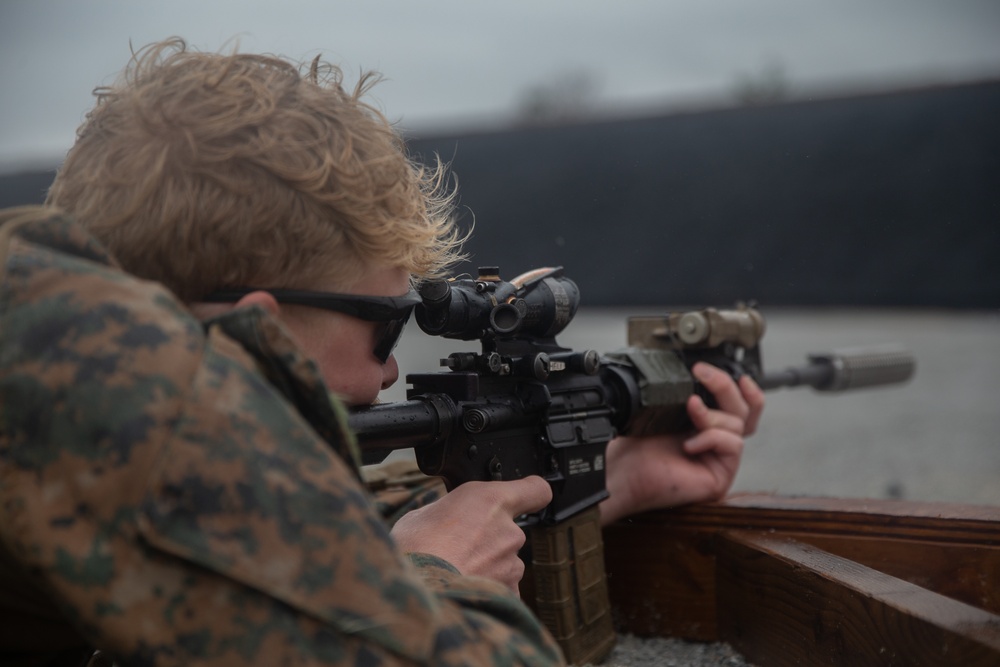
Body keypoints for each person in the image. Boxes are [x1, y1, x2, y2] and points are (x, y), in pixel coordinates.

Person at [1, 38, 763, 665]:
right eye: (387, 326)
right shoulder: (150, 391)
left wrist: (602, 485)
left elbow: (272, 528)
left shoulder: (54, 346)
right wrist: (439, 579)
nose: (392, 372)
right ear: (256, 326)